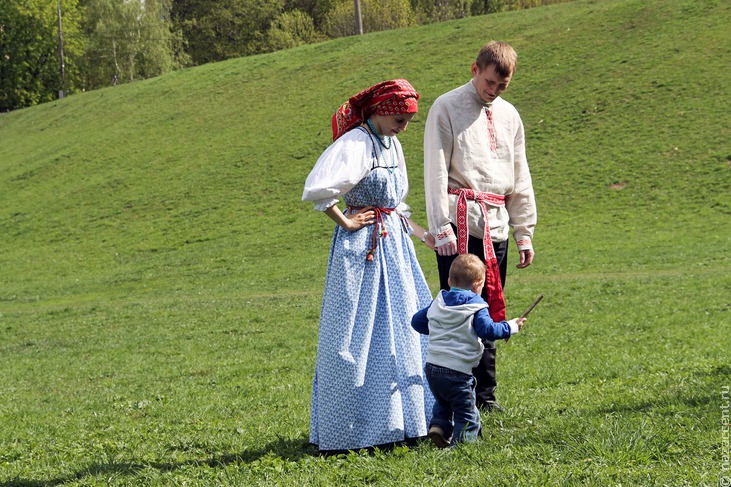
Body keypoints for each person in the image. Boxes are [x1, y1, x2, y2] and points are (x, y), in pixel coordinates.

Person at [302, 79, 436, 452]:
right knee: (356, 336)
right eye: (399, 119)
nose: (404, 127)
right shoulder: (356, 143)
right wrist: (345, 222)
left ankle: (404, 422)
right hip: (361, 251)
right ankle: (351, 430)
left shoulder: (392, 144)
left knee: (402, 332)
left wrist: (423, 235)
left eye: (408, 120)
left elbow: (395, 206)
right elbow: (317, 188)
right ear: (379, 111)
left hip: (394, 250)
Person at [423, 41, 537, 412]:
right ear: (475, 69)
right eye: (490, 82)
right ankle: (455, 399)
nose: (494, 90)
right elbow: (436, 171)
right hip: (460, 226)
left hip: (497, 226)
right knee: (458, 315)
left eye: (502, 86)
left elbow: (520, 177)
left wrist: (524, 231)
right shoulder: (447, 106)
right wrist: (441, 227)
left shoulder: (510, 116)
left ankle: (485, 398)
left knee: (487, 312)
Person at [411, 254, 525, 447]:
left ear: (449, 281)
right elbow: (488, 330)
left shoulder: (439, 302)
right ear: (478, 285)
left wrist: (439, 327)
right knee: (466, 412)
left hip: (432, 367)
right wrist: (511, 326)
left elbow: (417, 322)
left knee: (444, 401)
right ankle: (461, 448)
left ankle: (439, 427)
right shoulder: (476, 306)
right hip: (458, 371)